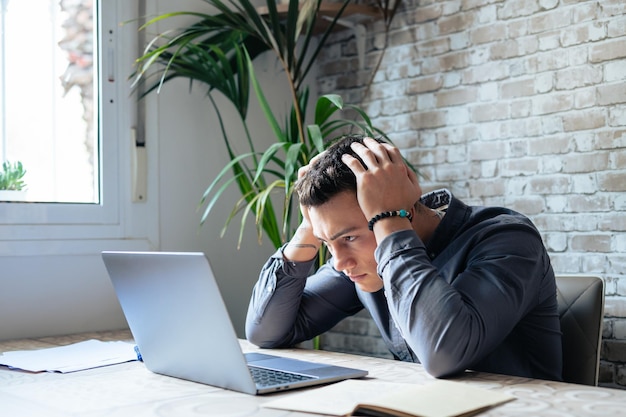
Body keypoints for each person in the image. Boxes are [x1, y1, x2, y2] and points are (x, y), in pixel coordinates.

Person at [245, 135, 562, 381]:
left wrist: (388, 220)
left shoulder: (507, 239)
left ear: (401, 209)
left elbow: (444, 353)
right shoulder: (355, 260)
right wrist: (310, 228)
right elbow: (265, 332)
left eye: (350, 237)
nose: (338, 262)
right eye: (329, 242)